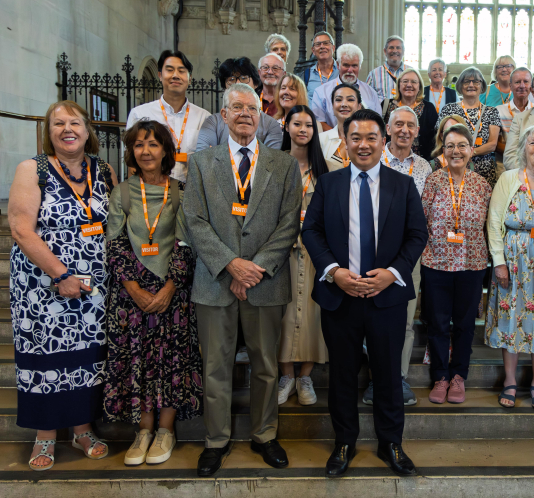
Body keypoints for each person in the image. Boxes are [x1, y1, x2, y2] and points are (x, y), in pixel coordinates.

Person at [301, 109, 428, 477]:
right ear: (345, 141)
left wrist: (391, 274)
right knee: (342, 374)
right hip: (340, 297)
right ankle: (344, 442)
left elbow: (417, 235)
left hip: (385, 298)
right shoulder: (329, 184)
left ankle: (391, 443)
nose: (363, 145)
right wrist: (334, 272)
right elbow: (311, 232)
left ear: (383, 141)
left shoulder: (402, 185)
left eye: (371, 137)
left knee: (388, 374)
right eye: (355, 137)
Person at [183, 83, 302, 476]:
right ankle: (216, 440)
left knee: (266, 365)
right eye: (236, 108)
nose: (245, 114)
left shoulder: (283, 165)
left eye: (252, 108)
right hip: (215, 281)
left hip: (265, 281)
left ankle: (264, 435)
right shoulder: (201, 163)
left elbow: (288, 224)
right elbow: (195, 220)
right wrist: (231, 264)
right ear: (222, 114)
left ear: (261, 115)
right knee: (216, 365)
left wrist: (255, 268)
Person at [9, 100, 118, 471]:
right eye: (58, 124)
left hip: (95, 286)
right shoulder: (32, 169)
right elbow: (22, 228)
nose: (67, 129)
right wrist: (60, 274)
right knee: (46, 355)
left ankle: (83, 429)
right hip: (43, 284)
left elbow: (114, 224)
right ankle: (45, 433)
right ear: (49, 131)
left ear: (88, 131)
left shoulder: (104, 170)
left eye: (75, 123)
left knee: (88, 357)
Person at [103, 120, 203, 466]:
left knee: (172, 360)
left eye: (153, 144)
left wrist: (169, 287)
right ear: (131, 151)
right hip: (131, 296)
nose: (146, 151)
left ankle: (165, 430)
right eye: (139, 145)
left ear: (166, 151)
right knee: (139, 362)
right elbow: (114, 243)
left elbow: (186, 244)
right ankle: (143, 431)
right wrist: (134, 288)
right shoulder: (122, 192)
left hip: (171, 293)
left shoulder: (180, 191)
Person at [486, 124, 534, 411]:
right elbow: (494, 223)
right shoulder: (508, 179)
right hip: (513, 263)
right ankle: (509, 379)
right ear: (524, 150)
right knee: (511, 317)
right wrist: (499, 263)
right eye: (533, 143)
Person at [360, 106, 433, 407]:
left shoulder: (425, 167)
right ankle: (377, 378)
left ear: (417, 132)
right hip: (371, 251)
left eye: (411, 125)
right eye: (398, 124)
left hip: (408, 256)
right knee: (371, 318)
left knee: (404, 319)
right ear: (387, 129)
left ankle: (398, 378)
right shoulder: (374, 160)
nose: (404, 130)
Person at [421, 124, 492, 405]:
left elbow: (489, 225)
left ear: (471, 150)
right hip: (436, 262)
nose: (456, 151)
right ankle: (440, 376)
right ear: (443, 150)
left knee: (464, 324)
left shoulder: (482, 185)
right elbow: (422, 221)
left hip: (472, 264)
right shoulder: (433, 181)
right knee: (437, 323)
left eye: (462, 145)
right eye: (450, 146)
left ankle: (458, 375)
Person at [277, 105, 331, 406]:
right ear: (287, 127)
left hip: (314, 253)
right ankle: (286, 375)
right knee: (283, 314)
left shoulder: (324, 169)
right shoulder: (274, 164)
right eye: (296, 124)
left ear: (315, 130)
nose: (302, 130)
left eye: (308, 125)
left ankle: (305, 376)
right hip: (281, 251)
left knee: (312, 313)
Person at [126, 50, 211, 183]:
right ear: (160, 75)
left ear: (190, 78)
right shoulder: (140, 114)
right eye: (170, 70)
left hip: (191, 191)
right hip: (151, 190)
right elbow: (131, 160)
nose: (175, 75)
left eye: (181, 71)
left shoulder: (204, 118)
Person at [196, 57, 283, 151]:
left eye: (244, 78)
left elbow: (272, 161)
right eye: (231, 79)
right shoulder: (213, 122)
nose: (238, 83)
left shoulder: (271, 125)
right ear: (224, 87)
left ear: (256, 83)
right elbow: (204, 159)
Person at [437, 67, 501, 187]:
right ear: (460, 86)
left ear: (482, 86)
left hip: (484, 171)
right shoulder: (449, 109)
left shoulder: (491, 112)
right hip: (454, 167)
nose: (471, 85)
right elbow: (441, 139)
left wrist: (469, 153)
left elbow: (492, 144)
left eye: (476, 81)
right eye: (466, 82)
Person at [312, 43, 382, 128]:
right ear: (338, 65)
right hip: (333, 140)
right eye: (346, 65)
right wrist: (340, 139)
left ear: (360, 66)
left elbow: (378, 122)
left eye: (354, 66)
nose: (350, 70)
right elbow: (319, 123)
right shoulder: (321, 92)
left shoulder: (371, 92)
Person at [382, 69, 439, 160]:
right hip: (390, 160)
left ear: (419, 86)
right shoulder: (386, 105)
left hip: (421, 161)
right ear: (399, 85)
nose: (409, 85)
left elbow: (435, 137)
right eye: (405, 81)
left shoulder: (429, 108)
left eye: (414, 82)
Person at [496, 67, 534, 174]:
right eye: (517, 82)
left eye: (526, 82)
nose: (522, 86)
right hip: (504, 169)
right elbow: (495, 142)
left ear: (531, 86)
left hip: (533, 168)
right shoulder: (499, 111)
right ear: (510, 86)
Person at [320, 83, 363, 171]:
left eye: (350, 100)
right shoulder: (321, 139)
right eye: (338, 100)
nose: (344, 104)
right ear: (332, 106)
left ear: (359, 106)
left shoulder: (368, 140)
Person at [366, 35, 411, 103]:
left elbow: (419, 96)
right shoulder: (373, 74)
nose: (395, 51)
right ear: (385, 51)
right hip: (381, 113)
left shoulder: (411, 73)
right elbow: (366, 99)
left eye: (398, 48)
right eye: (391, 48)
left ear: (403, 51)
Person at [303, 31, 339, 102]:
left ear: (333, 48)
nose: (322, 47)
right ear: (313, 50)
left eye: (326, 43)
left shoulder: (342, 71)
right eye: (318, 44)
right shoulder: (306, 74)